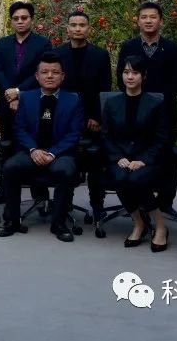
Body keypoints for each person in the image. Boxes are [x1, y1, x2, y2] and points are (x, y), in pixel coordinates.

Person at [0, 53, 83, 242]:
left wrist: (52, 153)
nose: (50, 76)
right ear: (37, 76)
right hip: (31, 151)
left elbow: (74, 134)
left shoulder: (73, 100)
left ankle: (59, 223)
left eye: (55, 72)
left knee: (66, 170)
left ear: (63, 76)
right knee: (10, 167)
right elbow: (20, 129)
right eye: (45, 72)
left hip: (60, 154)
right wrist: (33, 150)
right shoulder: (27, 97)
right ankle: (12, 221)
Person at [114, 1, 177, 212]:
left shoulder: (171, 48)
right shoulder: (128, 47)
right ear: (137, 21)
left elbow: (176, 82)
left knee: (167, 158)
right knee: (135, 156)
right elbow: (122, 79)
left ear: (161, 21)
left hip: (165, 113)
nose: (148, 21)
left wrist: (155, 104)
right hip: (134, 111)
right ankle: (138, 204)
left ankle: (164, 204)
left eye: (153, 17)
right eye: (143, 17)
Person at [101, 55, 171, 251]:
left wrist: (143, 160)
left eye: (135, 72)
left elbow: (162, 138)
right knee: (121, 177)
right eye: (126, 72)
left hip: (148, 160)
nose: (130, 77)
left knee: (136, 179)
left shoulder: (155, 103)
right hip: (120, 158)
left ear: (144, 76)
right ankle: (139, 223)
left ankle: (160, 226)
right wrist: (118, 157)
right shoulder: (112, 103)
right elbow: (106, 136)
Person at [54, 11, 112, 217]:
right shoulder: (57, 54)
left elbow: (105, 89)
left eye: (82, 25)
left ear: (89, 29)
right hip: (64, 118)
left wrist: (96, 116)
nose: (77, 29)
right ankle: (65, 203)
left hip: (91, 118)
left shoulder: (100, 55)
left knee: (95, 162)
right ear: (67, 29)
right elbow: (53, 88)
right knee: (67, 159)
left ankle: (97, 204)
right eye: (73, 25)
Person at [0, 1, 51, 141]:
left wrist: (18, 92)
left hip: (33, 100)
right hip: (6, 103)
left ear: (32, 19)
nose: (20, 21)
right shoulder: (2, 43)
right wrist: (10, 94)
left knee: (32, 142)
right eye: (16, 18)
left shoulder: (43, 44)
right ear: (11, 21)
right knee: (7, 143)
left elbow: (42, 72)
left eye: (24, 18)